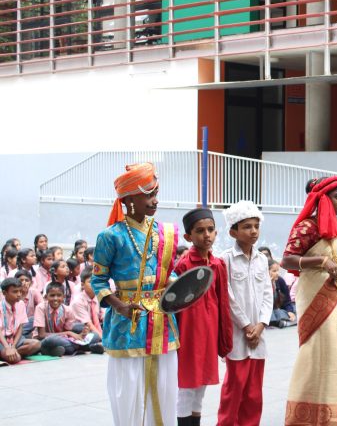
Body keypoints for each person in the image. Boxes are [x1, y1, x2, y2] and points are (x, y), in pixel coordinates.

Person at [91, 162, 179, 426]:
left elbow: (169, 274)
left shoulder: (164, 233)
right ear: (129, 199)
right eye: (149, 194)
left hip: (162, 319)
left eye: (156, 193)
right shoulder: (109, 236)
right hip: (128, 322)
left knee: (165, 386)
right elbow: (98, 279)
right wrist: (118, 305)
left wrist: (178, 288)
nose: (155, 200)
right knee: (129, 388)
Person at [281, 177, 337, 426]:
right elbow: (287, 260)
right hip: (317, 301)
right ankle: (312, 417)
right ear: (322, 199)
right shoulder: (307, 227)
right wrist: (319, 261)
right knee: (320, 353)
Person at [175, 208, 233, 426]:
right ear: (188, 237)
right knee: (186, 387)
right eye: (200, 231)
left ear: (216, 233)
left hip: (209, 333)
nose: (206, 235)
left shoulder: (218, 264)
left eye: (210, 230)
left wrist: (224, 337)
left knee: (201, 388)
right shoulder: (183, 265)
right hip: (188, 335)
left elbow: (223, 302)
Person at [218, 200, 272, 426]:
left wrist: (260, 325)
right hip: (239, 336)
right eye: (247, 227)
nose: (253, 231)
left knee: (254, 392)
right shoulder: (225, 260)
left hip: (258, 335)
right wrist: (246, 325)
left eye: (256, 226)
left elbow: (268, 293)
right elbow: (227, 297)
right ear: (233, 232)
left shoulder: (262, 260)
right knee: (234, 389)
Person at [35, 281, 103, 356]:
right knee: (51, 340)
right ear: (46, 297)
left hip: (63, 340)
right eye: (52, 295)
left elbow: (68, 332)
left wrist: (82, 334)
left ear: (64, 297)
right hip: (46, 339)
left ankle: (74, 347)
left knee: (95, 335)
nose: (55, 299)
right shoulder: (40, 308)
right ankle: (84, 347)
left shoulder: (67, 310)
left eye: (59, 295)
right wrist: (68, 333)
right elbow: (41, 335)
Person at [1, 277, 41, 364]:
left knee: (36, 344)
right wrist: (7, 347)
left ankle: (11, 353)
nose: (19, 294)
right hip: (2, 340)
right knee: (16, 359)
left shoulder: (21, 304)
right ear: (4, 293)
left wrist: (13, 347)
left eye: (20, 291)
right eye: (15, 292)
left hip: (14, 338)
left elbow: (20, 327)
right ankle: (9, 353)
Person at [71, 267, 103, 337]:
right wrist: (103, 339)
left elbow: (104, 317)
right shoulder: (77, 302)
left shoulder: (99, 297)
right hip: (82, 330)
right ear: (82, 285)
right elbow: (88, 324)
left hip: (96, 328)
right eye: (91, 282)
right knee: (93, 336)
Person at [268, 260, 296, 328]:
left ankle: (282, 322)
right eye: (274, 271)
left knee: (285, 312)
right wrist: (269, 284)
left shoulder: (280, 281)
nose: (277, 273)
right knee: (271, 315)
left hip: (278, 310)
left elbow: (287, 301)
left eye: (278, 271)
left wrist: (290, 311)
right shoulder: (261, 283)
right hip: (267, 312)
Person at [15, 269, 41, 337]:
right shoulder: (12, 293)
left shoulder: (34, 292)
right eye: (21, 280)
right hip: (15, 324)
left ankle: (20, 336)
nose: (24, 283)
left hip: (30, 324)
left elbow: (42, 308)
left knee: (35, 318)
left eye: (27, 280)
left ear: (31, 283)